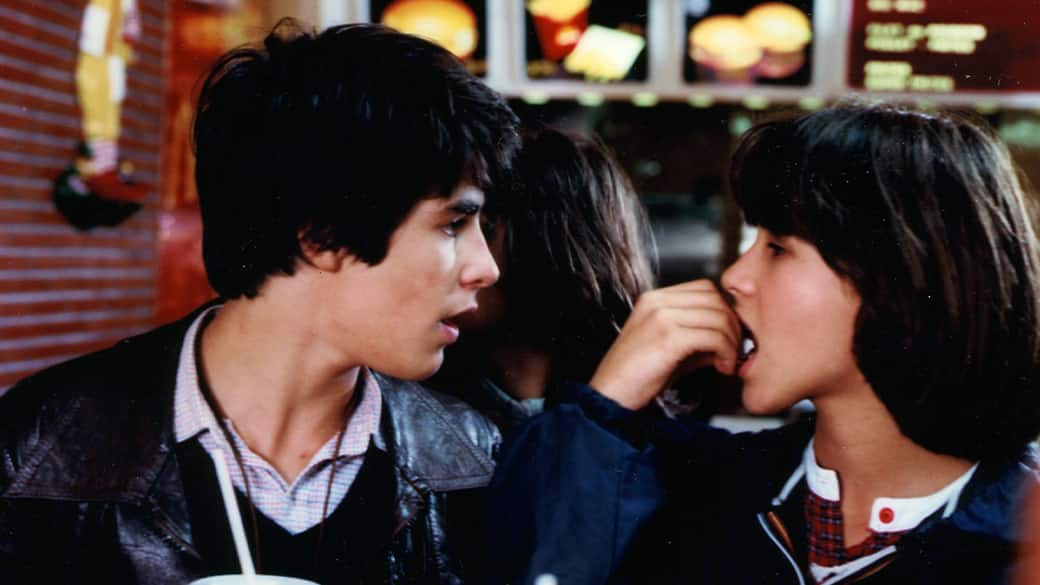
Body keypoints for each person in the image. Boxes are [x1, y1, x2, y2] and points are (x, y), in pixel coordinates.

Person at [1, 19, 519, 584]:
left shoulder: (481, 461)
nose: (485, 268)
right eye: (453, 224)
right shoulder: (37, 450)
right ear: (321, 235)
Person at [483, 102, 1040, 585]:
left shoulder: (1021, 537)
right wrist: (605, 404)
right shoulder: (691, 485)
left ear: (901, 276)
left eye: (777, 247)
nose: (734, 278)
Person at [429, 126, 656, 434]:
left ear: (543, 242)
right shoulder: (422, 405)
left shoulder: (638, 404)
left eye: (487, 228)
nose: (465, 260)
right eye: (454, 227)